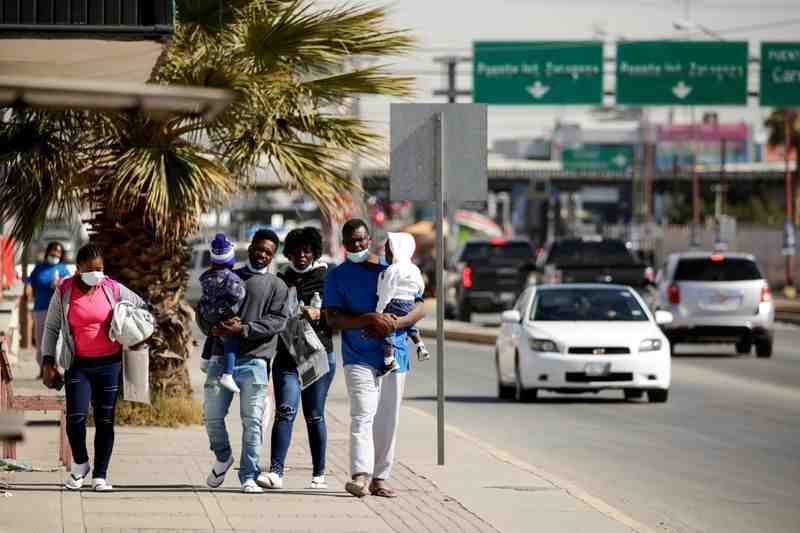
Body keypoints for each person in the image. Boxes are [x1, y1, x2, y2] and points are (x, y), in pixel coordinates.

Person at [324, 219, 425, 498]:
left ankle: (381, 477)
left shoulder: (393, 267)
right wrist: (366, 319)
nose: (356, 245)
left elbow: (420, 306)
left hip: (396, 355)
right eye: (351, 241)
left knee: (388, 419)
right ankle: (360, 476)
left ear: (370, 240)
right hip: (358, 355)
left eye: (361, 240)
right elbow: (333, 318)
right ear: (343, 244)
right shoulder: (337, 276)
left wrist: (397, 323)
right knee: (362, 415)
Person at [40, 244, 147, 492]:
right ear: (78, 269)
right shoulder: (65, 290)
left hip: (109, 365)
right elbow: (51, 327)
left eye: (100, 268)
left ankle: (100, 475)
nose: (96, 274)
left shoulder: (111, 287)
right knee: (75, 418)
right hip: (78, 365)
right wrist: (47, 360)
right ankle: (80, 464)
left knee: (105, 420)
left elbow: (142, 306)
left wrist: (136, 330)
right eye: (90, 270)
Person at [198, 229, 290, 493]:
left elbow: (277, 322)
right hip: (220, 358)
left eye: (268, 252)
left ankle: (248, 476)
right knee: (211, 416)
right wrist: (211, 328)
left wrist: (244, 329)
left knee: (253, 421)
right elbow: (202, 310)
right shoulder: (228, 275)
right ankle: (223, 456)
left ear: (273, 256)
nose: (262, 255)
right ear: (250, 248)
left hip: (256, 362)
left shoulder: (277, 286)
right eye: (258, 249)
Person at [262, 227, 336, 490]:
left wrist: (321, 315)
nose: (302, 255)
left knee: (314, 415)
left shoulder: (327, 279)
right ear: (289, 253)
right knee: (285, 412)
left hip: (317, 356)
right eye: (296, 251)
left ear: (315, 252)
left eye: (307, 250)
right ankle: (275, 472)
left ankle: (319, 474)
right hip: (287, 357)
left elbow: (340, 316)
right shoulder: (281, 280)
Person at [198, 234, 245, 394]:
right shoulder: (231, 278)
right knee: (231, 339)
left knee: (212, 334)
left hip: (207, 313)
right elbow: (237, 295)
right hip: (223, 314)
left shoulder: (206, 276)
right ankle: (228, 374)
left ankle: (205, 359)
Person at [376, 232, 430, 374]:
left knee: (388, 330)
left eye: (388, 250)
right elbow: (421, 286)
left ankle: (389, 360)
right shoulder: (414, 268)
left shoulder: (392, 270)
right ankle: (420, 345)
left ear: (396, 251)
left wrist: (379, 310)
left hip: (395, 303)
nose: (385, 253)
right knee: (410, 326)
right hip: (410, 303)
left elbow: (387, 291)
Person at [27, 242, 71, 377]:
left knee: (57, 340)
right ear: (48, 252)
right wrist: (27, 289)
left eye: (58, 251)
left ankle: (56, 368)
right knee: (41, 340)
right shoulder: (39, 268)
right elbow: (30, 282)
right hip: (41, 308)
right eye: (53, 251)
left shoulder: (63, 269)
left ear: (61, 254)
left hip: (58, 310)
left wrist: (59, 285)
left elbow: (70, 287)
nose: (55, 254)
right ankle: (42, 370)